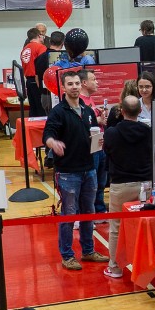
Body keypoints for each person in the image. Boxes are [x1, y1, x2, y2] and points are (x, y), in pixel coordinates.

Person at [44, 70, 107, 271]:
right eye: (70, 84)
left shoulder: (87, 111)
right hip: (68, 173)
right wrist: (52, 142)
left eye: (77, 83)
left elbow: (92, 136)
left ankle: (88, 251)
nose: (74, 87)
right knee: (69, 215)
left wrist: (98, 140)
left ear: (82, 85)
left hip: (89, 169)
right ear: (63, 87)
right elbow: (48, 134)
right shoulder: (58, 112)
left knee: (89, 212)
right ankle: (67, 255)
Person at [102, 95, 152, 279]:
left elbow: (107, 152)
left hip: (121, 185)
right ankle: (147, 264)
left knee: (116, 226)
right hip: (145, 185)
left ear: (121, 112)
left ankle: (115, 267)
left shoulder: (112, 133)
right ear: (140, 111)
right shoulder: (148, 131)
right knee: (145, 225)